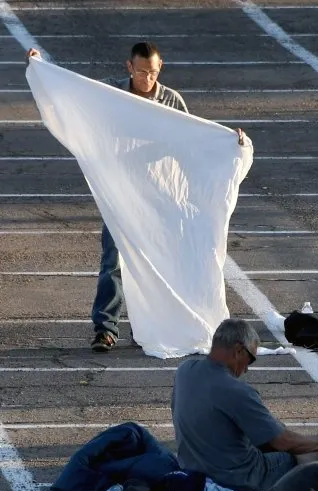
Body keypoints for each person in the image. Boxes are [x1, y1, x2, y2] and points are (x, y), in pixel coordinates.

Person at [26, 42, 247, 353]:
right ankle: (105, 329)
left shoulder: (171, 100)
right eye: (142, 71)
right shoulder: (113, 96)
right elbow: (75, 95)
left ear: (161, 68)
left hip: (160, 197)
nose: (147, 78)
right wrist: (42, 67)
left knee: (164, 260)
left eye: (153, 72)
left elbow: (194, 141)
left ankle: (155, 325)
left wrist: (229, 144)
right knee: (113, 260)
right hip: (122, 193)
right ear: (129, 67)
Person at [172, 318, 318, 491]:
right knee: (313, 455)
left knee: (275, 439)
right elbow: (282, 442)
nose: (247, 370)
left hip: (193, 469)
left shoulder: (185, 370)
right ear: (238, 351)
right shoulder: (237, 391)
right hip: (238, 478)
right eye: (250, 360)